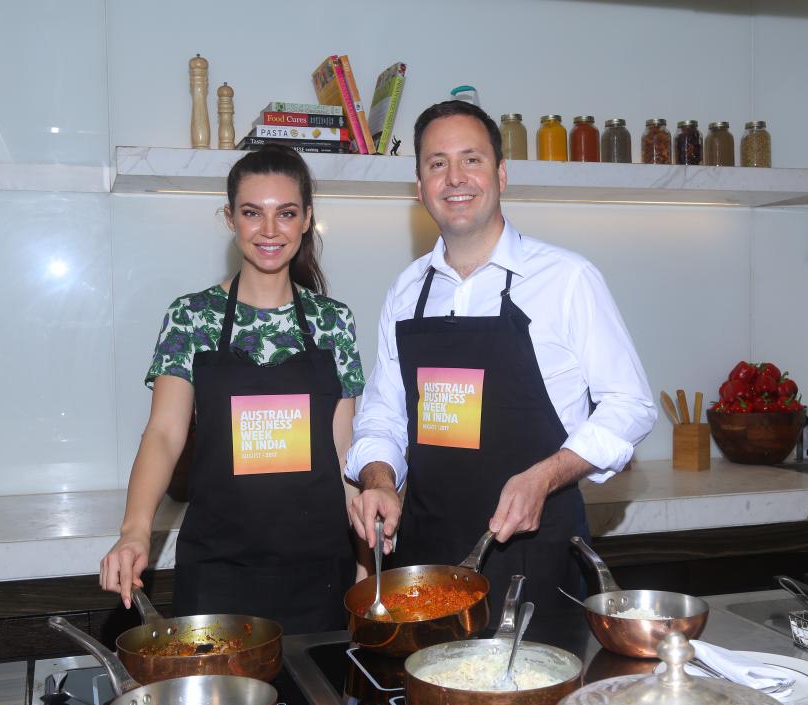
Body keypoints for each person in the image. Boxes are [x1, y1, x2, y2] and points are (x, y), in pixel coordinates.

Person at [345, 101, 656, 621]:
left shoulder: (566, 279)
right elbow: (382, 413)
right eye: (436, 164)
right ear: (419, 187)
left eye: (472, 159)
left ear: (501, 175)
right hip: (428, 557)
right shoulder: (406, 292)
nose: (455, 178)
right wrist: (378, 481)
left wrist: (546, 475)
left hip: (538, 556)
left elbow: (631, 406)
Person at [100, 145, 365, 632]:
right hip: (219, 573)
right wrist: (135, 530)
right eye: (251, 213)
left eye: (285, 213)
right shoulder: (192, 316)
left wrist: (367, 560)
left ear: (306, 219)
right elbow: (163, 433)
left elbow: (341, 451)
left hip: (319, 573)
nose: (269, 230)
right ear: (230, 218)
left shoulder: (334, 322)